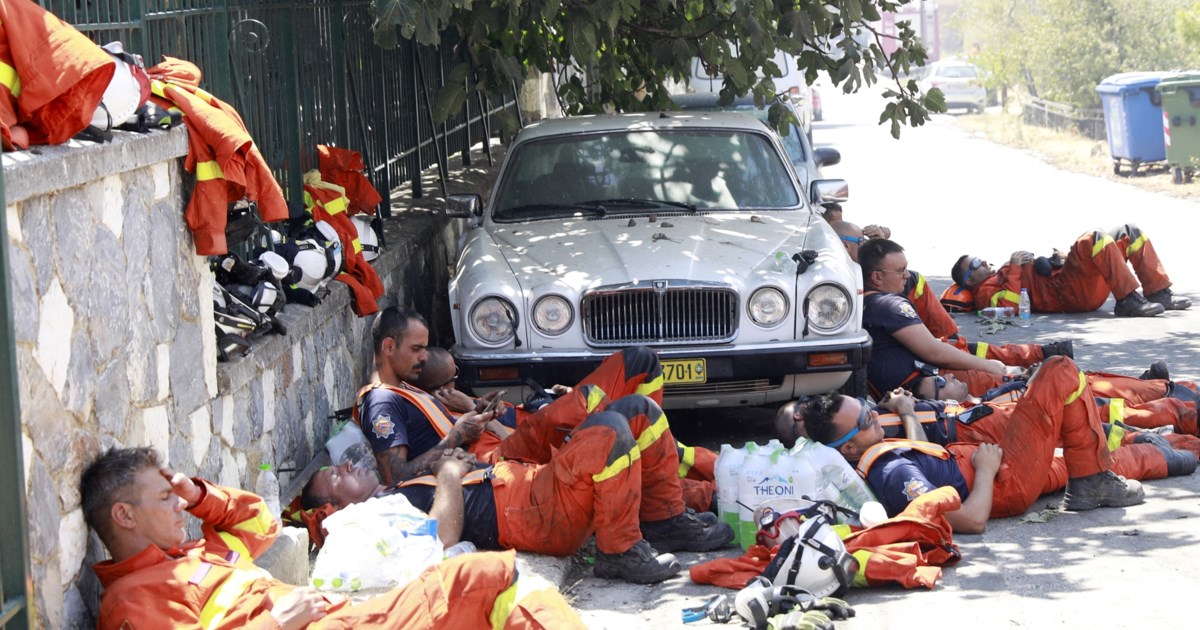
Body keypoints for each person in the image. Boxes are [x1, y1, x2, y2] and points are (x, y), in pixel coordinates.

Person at [80, 446, 584, 629]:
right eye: (165, 497)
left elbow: (262, 525)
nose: (178, 505)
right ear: (124, 515)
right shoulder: (131, 599)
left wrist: (200, 496)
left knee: (506, 589)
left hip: (339, 617)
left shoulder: (196, 553)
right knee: (487, 581)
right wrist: (276, 623)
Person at [306, 394, 734, 584]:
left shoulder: (396, 487)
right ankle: (618, 552)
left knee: (639, 410)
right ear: (336, 508)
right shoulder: (375, 514)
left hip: (535, 485)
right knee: (609, 432)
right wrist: (450, 473)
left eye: (339, 466)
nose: (346, 465)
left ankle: (664, 520)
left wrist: (455, 462)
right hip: (537, 518)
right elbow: (441, 538)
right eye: (336, 477)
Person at [796, 356, 1153, 534]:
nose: (873, 417)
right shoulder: (892, 473)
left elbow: (919, 454)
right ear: (848, 448)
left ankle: (1168, 454)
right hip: (1003, 479)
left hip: (998, 467)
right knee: (1059, 370)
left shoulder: (877, 454)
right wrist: (984, 471)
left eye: (867, 410)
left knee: (1082, 458)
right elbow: (970, 520)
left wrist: (906, 413)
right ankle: (1092, 481)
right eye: (864, 421)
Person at [356, 306, 664, 485]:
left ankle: (662, 467)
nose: (423, 357)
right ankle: (658, 472)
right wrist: (459, 433)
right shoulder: (382, 401)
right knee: (594, 401)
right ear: (389, 347)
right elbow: (395, 476)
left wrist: (478, 410)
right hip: (498, 456)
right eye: (417, 349)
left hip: (503, 443)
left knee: (638, 364)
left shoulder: (405, 388)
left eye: (424, 349)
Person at [414, 346, 718, 509]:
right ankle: (705, 490)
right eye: (452, 381)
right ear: (440, 389)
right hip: (524, 448)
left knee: (641, 360)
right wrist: (472, 409)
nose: (457, 385)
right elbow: (507, 448)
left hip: (540, 422)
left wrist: (552, 401)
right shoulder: (450, 414)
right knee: (594, 403)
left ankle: (687, 462)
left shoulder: (459, 400)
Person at [859, 238, 1059, 398]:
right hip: (931, 383)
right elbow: (934, 352)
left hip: (920, 381)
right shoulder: (889, 305)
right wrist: (989, 366)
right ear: (877, 277)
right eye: (900, 271)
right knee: (1032, 387)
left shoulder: (866, 303)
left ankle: (1041, 356)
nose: (906, 276)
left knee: (978, 353)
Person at [951, 223, 1191, 318]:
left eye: (978, 258)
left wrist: (1061, 261)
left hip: (1070, 282)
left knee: (1128, 232)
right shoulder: (984, 293)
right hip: (1067, 294)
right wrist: (1014, 266)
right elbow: (1009, 308)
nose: (983, 262)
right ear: (969, 281)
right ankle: (1127, 300)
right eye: (975, 264)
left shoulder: (1000, 274)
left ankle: (1158, 292)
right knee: (1092, 238)